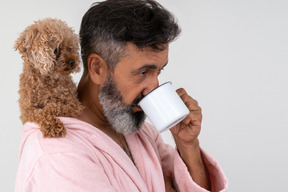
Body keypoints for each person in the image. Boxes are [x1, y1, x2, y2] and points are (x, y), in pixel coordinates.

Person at [15, 0, 228, 191]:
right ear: (97, 68)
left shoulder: (140, 132)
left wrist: (187, 145)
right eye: (143, 72)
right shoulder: (57, 154)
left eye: (159, 71)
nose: (154, 87)